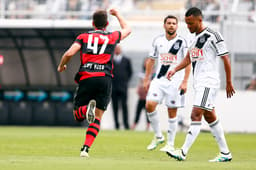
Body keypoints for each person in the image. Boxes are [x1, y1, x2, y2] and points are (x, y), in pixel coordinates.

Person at [57, 8, 131, 157]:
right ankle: (85, 149)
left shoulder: (84, 37)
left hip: (87, 77)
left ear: (92, 23)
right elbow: (128, 29)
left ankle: (85, 110)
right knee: (98, 117)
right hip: (104, 78)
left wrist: (61, 65)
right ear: (107, 24)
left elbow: (69, 53)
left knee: (78, 115)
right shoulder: (112, 36)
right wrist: (117, 14)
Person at [166, 7, 235, 162]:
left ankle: (182, 152)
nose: (188, 26)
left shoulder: (213, 35)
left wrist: (229, 81)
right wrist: (175, 69)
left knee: (195, 114)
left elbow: (225, 58)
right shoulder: (193, 38)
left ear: (199, 19)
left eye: (190, 23)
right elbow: (189, 58)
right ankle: (225, 153)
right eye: (187, 24)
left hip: (209, 82)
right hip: (199, 83)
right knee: (210, 116)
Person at [143, 15, 191, 152]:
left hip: (175, 81)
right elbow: (151, 60)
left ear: (177, 26)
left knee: (172, 111)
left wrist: (185, 81)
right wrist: (147, 78)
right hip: (159, 79)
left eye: (174, 23)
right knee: (149, 104)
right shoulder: (158, 40)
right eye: (169, 23)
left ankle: (170, 143)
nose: (171, 25)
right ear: (164, 25)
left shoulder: (183, 41)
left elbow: (188, 62)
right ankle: (158, 136)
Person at [111, 45, 133, 130]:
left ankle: (126, 124)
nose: (117, 50)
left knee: (124, 106)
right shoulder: (111, 61)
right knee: (115, 107)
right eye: (116, 49)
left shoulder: (126, 60)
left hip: (123, 87)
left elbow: (130, 72)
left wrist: (125, 81)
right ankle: (116, 125)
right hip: (113, 88)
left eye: (118, 49)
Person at [131, 58, 151, 131]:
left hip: (148, 96)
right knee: (138, 111)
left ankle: (148, 126)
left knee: (148, 112)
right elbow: (140, 83)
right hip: (142, 96)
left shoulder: (153, 73)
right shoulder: (142, 73)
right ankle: (134, 125)